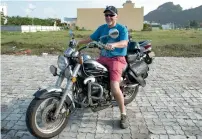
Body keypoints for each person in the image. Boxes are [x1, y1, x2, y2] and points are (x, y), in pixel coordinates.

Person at [76, 6, 129, 129]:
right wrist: (79, 42)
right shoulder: (102, 28)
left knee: (115, 87)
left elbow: (125, 43)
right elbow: (91, 38)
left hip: (117, 59)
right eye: (106, 15)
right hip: (103, 58)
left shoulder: (121, 28)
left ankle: (123, 114)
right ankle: (92, 95)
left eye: (111, 15)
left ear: (116, 16)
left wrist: (114, 45)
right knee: (88, 69)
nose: (108, 17)